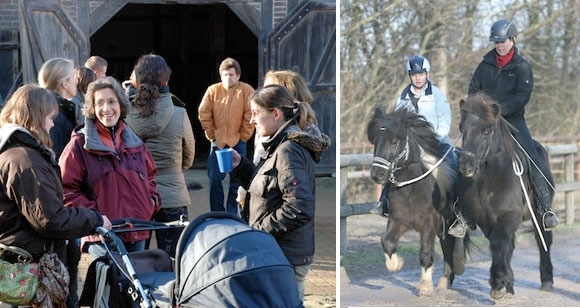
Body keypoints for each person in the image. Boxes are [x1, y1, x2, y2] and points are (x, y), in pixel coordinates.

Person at [0, 84, 112, 306]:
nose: (52, 124)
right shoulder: (24, 160)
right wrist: (94, 219)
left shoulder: (17, 153)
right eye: (50, 118)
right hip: (30, 268)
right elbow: (49, 219)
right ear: (36, 116)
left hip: (26, 261)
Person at [448, 19, 559, 237]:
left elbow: (522, 97)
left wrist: (498, 110)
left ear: (512, 40)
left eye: (503, 41)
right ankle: (464, 214)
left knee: (533, 156)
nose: (499, 45)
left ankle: (545, 209)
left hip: (513, 121)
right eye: (496, 41)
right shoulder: (484, 65)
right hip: (484, 123)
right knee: (466, 156)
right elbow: (473, 91)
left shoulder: (522, 67)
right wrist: (480, 112)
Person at [231, 85, 330, 301]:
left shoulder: (288, 150)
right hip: (277, 253)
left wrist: (257, 231)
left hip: (285, 258)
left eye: (256, 113)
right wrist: (241, 167)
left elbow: (299, 206)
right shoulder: (278, 144)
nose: (251, 121)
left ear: (276, 114)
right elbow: (269, 188)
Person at [58, 76, 161, 258]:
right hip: (102, 237)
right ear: (92, 108)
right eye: (100, 103)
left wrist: (150, 203)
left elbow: (151, 177)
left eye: (112, 101)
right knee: (109, 285)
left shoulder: (135, 143)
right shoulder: (79, 146)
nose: (107, 109)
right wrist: (95, 218)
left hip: (137, 231)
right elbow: (65, 190)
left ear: (120, 104)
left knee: (135, 286)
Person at [125, 54, 195, 257]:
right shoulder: (179, 114)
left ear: (136, 79)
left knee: (136, 261)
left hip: (137, 195)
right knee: (174, 259)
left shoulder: (124, 114)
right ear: (166, 80)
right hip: (173, 196)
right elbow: (189, 157)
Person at [374, 55, 453, 217]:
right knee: (391, 163)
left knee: (453, 164)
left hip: (436, 142)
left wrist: (435, 138)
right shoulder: (402, 98)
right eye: (414, 75)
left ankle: (457, 207)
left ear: (427, 74)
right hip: (411, 146)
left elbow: (445, 119)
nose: (418, 78)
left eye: (421, 74)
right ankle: (385, 202)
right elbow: (397, 125)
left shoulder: (437, 94)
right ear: (410, 76)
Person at [198, 57, 254, 214]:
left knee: (237, 181)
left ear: (238, 75)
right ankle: (217, 212)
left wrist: (244, 136)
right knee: (215, 179)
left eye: (231, 74)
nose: (228, 78)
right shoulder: (212, 90)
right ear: (220, 75)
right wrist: (211, 135)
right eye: (225, 74)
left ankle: (232, 212)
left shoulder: (246, 90)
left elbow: (250, 114)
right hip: (218, 142)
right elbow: (204, 113)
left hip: (238, 141)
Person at [38, 57, 79, 158]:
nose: (76, 81)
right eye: (73, 77)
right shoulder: (55, 115)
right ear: (65, 84)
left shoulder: (57, 109)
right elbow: (56, 157)